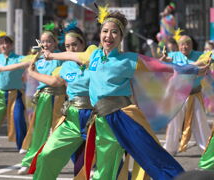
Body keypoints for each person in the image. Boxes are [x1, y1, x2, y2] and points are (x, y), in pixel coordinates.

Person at [38, 9, 207, 180]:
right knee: (103, 172)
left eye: (114, 32)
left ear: (120, 37)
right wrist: (51, 55)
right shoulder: (93, 55)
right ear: (100, 34)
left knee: (150, 153)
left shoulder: (129, 59)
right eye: (105, 31)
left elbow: (162, 67)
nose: (108, 36)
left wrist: (194, 69)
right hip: (101, 119)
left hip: (122, 116)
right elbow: (71, 55)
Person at [0, 27, 66, 175]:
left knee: (64, 133)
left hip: (60, 98)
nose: (46, 44)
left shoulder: (61, 56)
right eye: (43, 41)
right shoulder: (36, 57)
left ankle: (86, 165)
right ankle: (29, 162)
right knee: (38, 131)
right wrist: (1, 69)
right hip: (44, 97)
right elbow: (18, 65)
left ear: (55, 42)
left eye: (49, 41)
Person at [29, 24, 93, 179]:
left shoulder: (94, 58)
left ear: (83, 44)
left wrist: (52, 55)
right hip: (72, 118)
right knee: (46, 155)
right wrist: (32, 73)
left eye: (74, 45)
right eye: (67, 46)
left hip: (94, 118)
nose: (71, 49)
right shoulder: (66, 66)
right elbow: (54, 81)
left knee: (97, 166)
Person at [163, 35, 212, 155]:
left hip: (194, 94)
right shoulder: (174, 55)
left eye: (187, 43)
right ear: (178, 46)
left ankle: (206, 149)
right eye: (182, 44)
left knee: (200, 123)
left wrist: (204, 61)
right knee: (174, 123)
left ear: (192, 45)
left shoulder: (200, 55)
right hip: (178, 95)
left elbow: (210, 57)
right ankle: (170, 148)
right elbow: (163, 63)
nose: (185, 46)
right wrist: (163, 60)